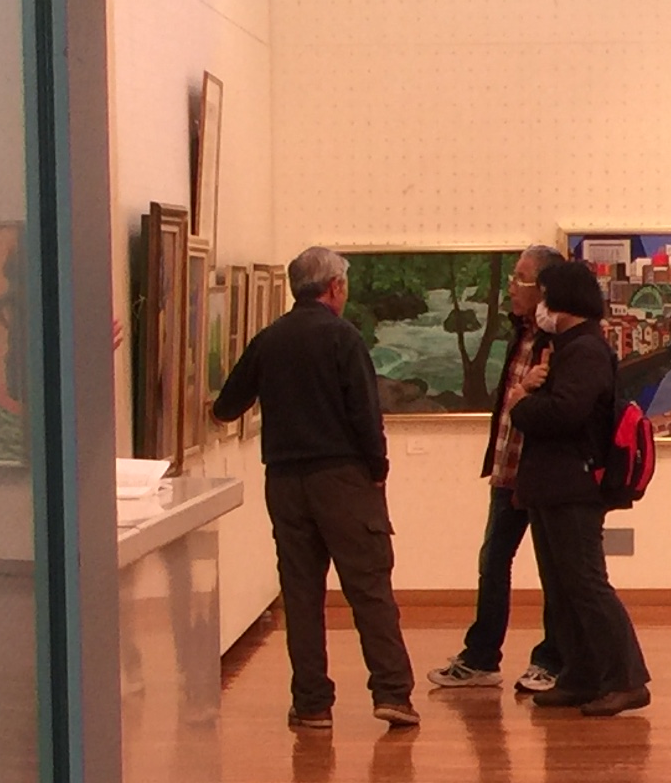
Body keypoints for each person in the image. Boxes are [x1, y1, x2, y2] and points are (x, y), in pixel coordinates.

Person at [211, 246, 417, 730]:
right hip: (343, 480)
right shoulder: (343, 337)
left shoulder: (269, 339)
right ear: (335, 287)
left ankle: (311, 703)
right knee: (368, 587)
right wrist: (377, 469)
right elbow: (365, 412)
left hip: (284, 483)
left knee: (301, 593)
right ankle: (392, 693)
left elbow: (226, 407)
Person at [507, 257, 650, 717]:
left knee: (586, 584)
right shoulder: (565, 347)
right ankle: (581, 676)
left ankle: (626, 679)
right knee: (562, 586)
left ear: (563, 300)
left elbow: (565, 413)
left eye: (545, 296)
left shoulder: (585, 350)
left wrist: (522, 402)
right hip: (553, 484)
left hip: (574, 484)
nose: (540, 305)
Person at [427, 245, 567, 696]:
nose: (510, 286)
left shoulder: (560, 342)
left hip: (543, 475)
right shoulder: (519, 334)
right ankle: (481, 658)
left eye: (519, 279)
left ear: (542, 288)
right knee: (493, 562)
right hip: (508, 470)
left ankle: (552, 662)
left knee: (554, 569)